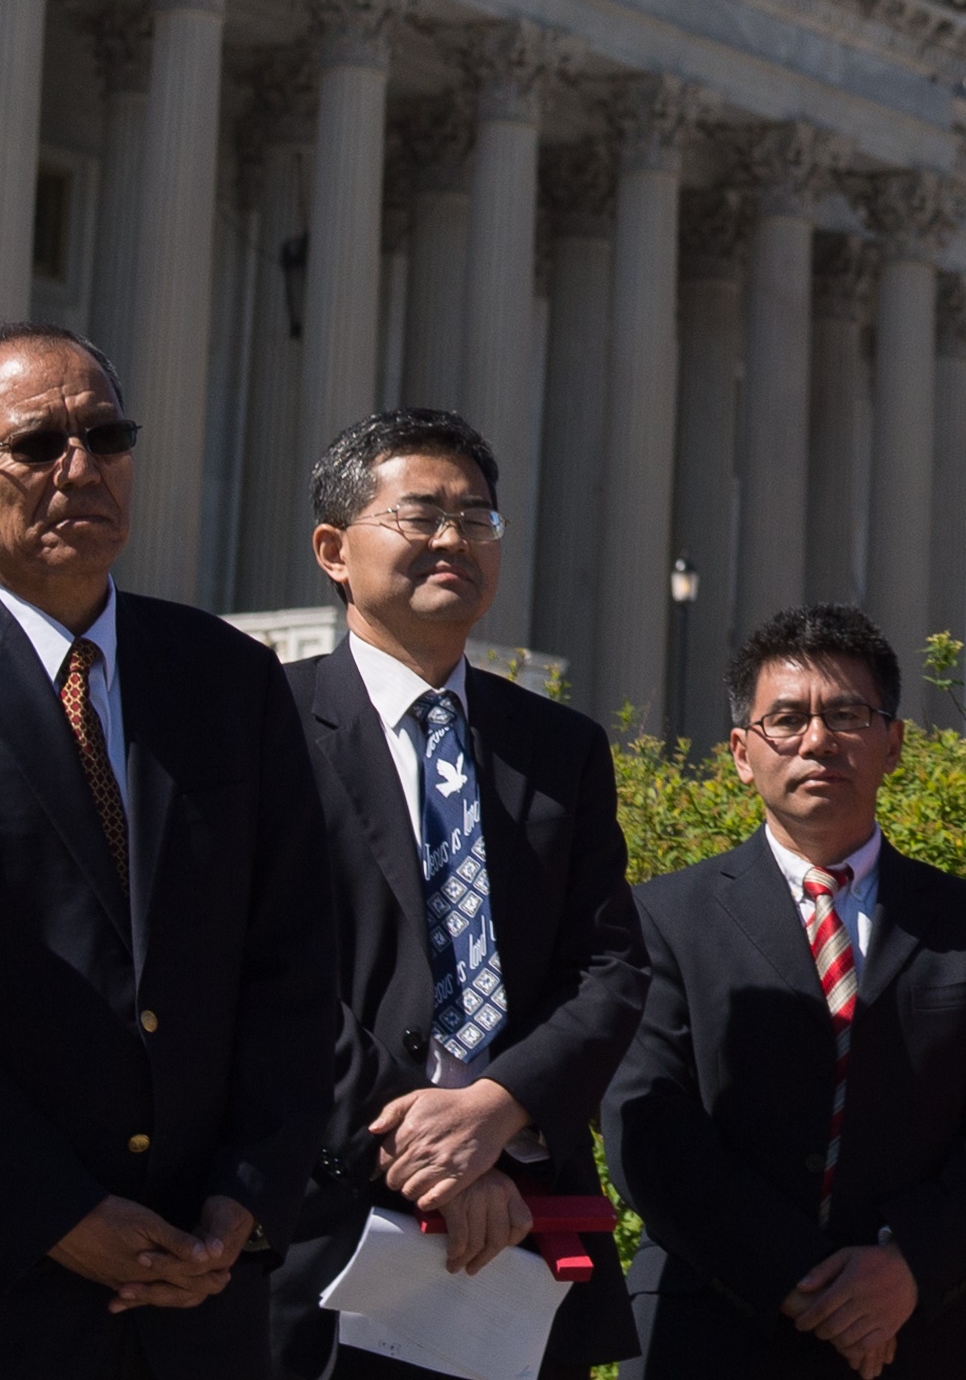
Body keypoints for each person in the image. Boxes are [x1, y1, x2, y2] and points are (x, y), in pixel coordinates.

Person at [0, 323, 340, 1379]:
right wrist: (58, 1214)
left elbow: (293, 963)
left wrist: (244, 1198)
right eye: (38, 443)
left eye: (106, 435)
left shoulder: (229, 680)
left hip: (196, 1299)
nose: (81, 467)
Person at [269, 410, 645, 1379]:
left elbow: (608, 968)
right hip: (321, 1225)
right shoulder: (262, 725)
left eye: (477, 517)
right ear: (333, 549)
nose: (454, 539)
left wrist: (500, 1109)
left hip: (520, 1239)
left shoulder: (559, 749)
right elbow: (255, 969)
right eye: (421, 514)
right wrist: (430, 1146)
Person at [606, 605, 966, 1377]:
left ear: (893, 743)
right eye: (785, 720)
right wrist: (806, 1282)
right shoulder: (663, 918)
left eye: (847, 715)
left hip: (910, 1332)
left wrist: (905, 1264)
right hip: (708, 1329)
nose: (817, 741)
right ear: (741, 753)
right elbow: (647, 1125)